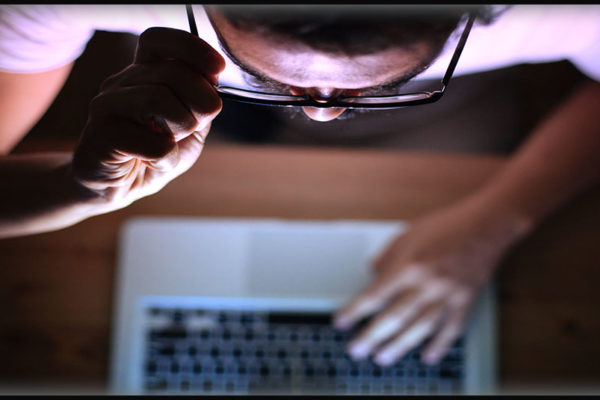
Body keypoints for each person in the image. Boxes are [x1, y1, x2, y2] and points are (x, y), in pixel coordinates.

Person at [0, 4, 599, 367]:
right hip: (203, 122)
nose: (319, 114)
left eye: (368, 82)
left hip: (442, 128)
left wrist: (497, 220)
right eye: (273, 73)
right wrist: (83, 189)